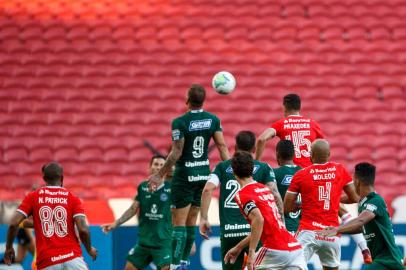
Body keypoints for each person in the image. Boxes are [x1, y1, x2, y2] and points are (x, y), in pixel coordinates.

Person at [149, 84, 230, 269]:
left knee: (179, 225)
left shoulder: (179, 122)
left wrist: (159, 175)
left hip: (184, 176)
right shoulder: (213, 120)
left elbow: (176, 152)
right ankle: (184, 262)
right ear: (204, 100)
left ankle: (176, 264)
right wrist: (230, 171)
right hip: (203, 174)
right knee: (191, 223)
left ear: (187, 99)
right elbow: (223, 147)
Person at [199, 130, 283, 270]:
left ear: (236, 148)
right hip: (255, 233)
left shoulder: (222, 166)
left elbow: (207, 189)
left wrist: (203, 218)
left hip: (229, 232)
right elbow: (274, 193)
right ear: (255, 149)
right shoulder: (264, 168)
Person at [4, 162, 97, 270]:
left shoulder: (33, 197)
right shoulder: (73, 199)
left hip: (47, 262)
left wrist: (9, 248)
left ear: (44, 178)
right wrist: (89, 249)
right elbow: (83, 230)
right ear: (62, 178)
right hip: (73, 259)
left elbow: (14, 223)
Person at [284, 139, 360, 270]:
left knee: (293, 266)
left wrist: (301, 204)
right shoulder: (339, 170)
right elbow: (354, 198)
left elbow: (287, 208)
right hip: (331, 234)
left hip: (308, 232)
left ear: (311, 155)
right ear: (329, 154)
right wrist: (334, 199)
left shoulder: (301, 175)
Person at [224, 152, 307, 270]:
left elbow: (258, 220)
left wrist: (251, 252)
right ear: (252, 170)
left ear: (233, 171)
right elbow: (261, 226)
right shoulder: (264, 189)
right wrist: (239, 247)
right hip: (295, 248)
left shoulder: (242, 195)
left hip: (275, 249)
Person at [318, 162, 405, 270]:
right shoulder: (364, 202)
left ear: (357, 181)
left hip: (387, 260)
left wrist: (337, 229)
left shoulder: (376, 201)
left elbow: (360, 221)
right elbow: (360, 227)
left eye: (353, 180)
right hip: (383, 260)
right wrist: (327, 200)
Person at [102, 155, 172, 270]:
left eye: (162, 165)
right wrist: (116, 223)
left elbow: (183, 212)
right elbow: (133, 209)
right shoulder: (142, 187)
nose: (158, 167)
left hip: (163, 243)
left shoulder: (172, 189)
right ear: (150, 167)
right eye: (156, 164)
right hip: (144, 243)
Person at [256, 93, 324, 168]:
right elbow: (323, 147)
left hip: (290, 172)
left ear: (284, 107)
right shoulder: (313, 124)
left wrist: (257, 162)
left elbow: (261, 139)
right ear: (299, 107)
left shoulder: (281, 124)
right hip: (309, 172)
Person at [273, 140, 302, 233]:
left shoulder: (273, 174)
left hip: (283, 230)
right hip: (302, 231)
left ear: (277, 155)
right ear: (294, 155)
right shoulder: (305, 173)